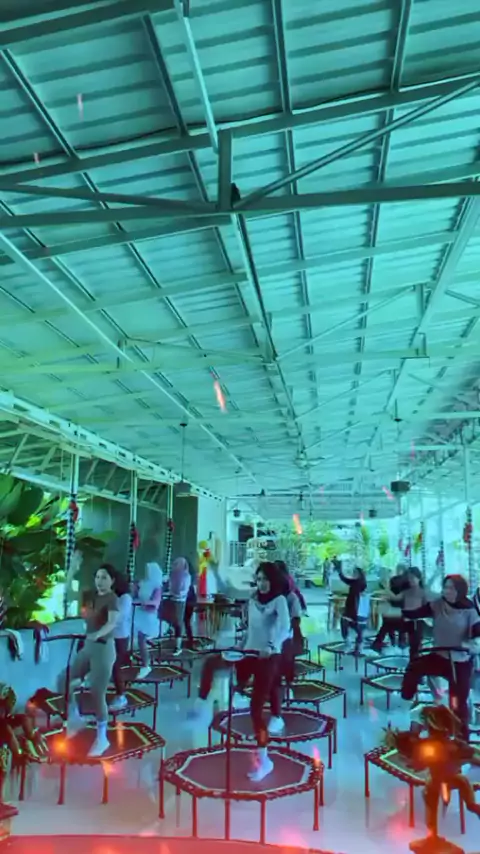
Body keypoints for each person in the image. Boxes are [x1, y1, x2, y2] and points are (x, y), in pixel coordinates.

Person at [188, 561, 290, 781]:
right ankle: (202, 705)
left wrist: (271, 646)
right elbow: (247, 625)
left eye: (266, 579)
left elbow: (285, 628)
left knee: (256, 711)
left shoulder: (280, 600)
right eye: (259, 579)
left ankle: (264, 759)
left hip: (269, 657)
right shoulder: (252, 600)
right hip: (248, 652)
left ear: (273, 580)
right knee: (211, 662)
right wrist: (238, 647)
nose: (262, 583)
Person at [400, 574, 480, 741]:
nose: (447, 591)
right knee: (414, 667)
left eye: (451, 588)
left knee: (458, 703)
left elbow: (477, 633)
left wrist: (472, 643)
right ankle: (407, 697)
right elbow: (416, 613)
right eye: (445, 587)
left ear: (460, 590)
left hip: (459, 662)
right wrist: (399, 611)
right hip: (439, 656)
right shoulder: (437, 604)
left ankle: (461, 739)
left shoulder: (470, 610)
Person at [59, 564, 119, 757]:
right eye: (98, 577)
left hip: (104, 648)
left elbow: (112, 622)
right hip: (88, 646)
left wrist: (97, 634)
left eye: (104, 577)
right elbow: (70, 594)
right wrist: (71, 572)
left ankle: (102, 737)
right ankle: (75, 718)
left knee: (97, 692)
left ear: (112, 581)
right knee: (65, 680)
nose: (100, 581)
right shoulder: (91, 595)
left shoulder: (112, 599)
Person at [268, 564, 304, 734]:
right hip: (270, 639)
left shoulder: (290, 597)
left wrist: (294, 634)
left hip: (285, 638)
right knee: (273, 670)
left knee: (285, 665)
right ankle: (276, 705)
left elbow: (296, 619)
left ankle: (287, 688)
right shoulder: (268, 596)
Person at [369, 567, 426, 658]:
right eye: (409, 578)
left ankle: (398, 646)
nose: (410, 580)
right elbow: (395, 598)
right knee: (388, 623)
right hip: (405, 618)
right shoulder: (407, 589)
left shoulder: (420, 591)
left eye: (412, 578)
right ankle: (397, 646)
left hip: (413, 620)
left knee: (389, 624)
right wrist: (386, 589)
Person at [134, 560, 163, 679]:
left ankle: (146, 665)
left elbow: (156, 602)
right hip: (140, 614)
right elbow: (137, 594)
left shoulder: (157, 587)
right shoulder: (143, 583)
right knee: (139, 639)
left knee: (142, 639)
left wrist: (145, 603)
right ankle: (144, 661)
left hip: (148, 616)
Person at [334, 559, 369, 654]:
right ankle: (357, 645)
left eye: (354, 572)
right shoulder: (359, 582)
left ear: (358, 574)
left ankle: (351, 644)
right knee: (356, 627)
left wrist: (339, 571)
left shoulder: (357, 583)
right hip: (356, 609)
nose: (353, 574)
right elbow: (346, 579)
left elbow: (345, 580)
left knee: (351, 625)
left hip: (355, 609)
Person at [110, 570, 133, 710]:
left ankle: (121, 695)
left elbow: (119, 617)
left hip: (120, 636)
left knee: (116, 665)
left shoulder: (125, 598)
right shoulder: (115, 596)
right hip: (112, 634)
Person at [168, 557, 191, 655]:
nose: (175, 566)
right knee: (173, 621)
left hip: (180, 601)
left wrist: (176, 593)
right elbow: (170, 586)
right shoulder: (173, 575)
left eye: (177, 564)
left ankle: (178, 646)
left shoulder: (186, 576)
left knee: (178, 623)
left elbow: (184, 590)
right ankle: (173, 640)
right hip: (172, 600)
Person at [184, 559, 197, 647]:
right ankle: (190, 639)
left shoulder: (185, 576)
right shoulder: (191, 575)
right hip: (190, 600)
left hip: (187, 600)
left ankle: (189, 640)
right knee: (187, 621)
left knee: (186, 621)